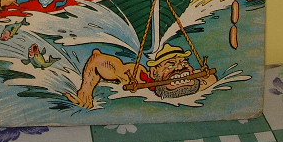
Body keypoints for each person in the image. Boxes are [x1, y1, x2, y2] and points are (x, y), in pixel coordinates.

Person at [66, 43, 218, 108]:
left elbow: (211, 79)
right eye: (170, 64)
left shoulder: (197, 80)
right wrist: (86, 91)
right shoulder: (135, 75)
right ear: (154, 72)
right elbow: (97, 59)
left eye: (184, 62)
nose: (180, 67)